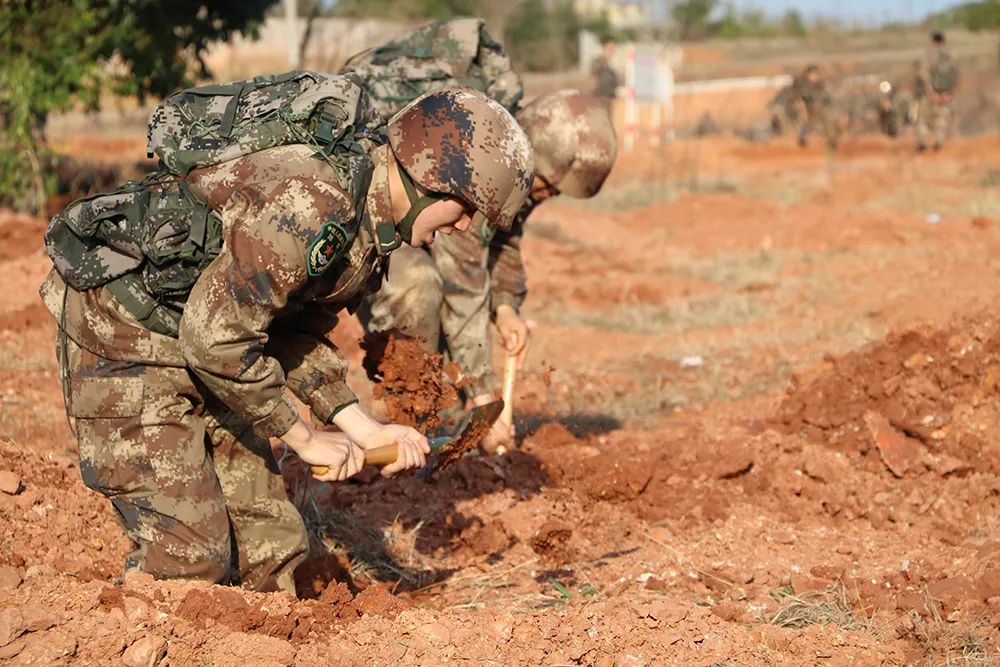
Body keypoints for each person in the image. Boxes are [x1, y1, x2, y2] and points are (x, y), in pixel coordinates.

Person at [40, 80, 534, 593]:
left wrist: (363, 428)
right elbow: (215, 339)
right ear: (429, 181)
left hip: (210, 338)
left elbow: (288, 332)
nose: (463, 227)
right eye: (466, 208)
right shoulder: (311, 204)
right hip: (126, 331)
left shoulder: (368, 225)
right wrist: (303, 437)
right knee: (192, 564)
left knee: (277, 554)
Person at [343, 21, 617, 451]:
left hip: (411, 211)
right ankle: (415, 426)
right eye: (542, 188)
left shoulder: (513, 141)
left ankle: (446, 418)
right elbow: (463, 278)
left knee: (448, 301)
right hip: (364, 206)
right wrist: (485, 397)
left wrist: (506, 306)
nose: (538, 199)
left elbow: (505, 236)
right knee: (419, 287)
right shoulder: (483, 160)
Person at [917, 32, 959, 152]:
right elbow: (955, 76)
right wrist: (948, 93)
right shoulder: (951, 55)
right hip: (946, 93)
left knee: (923, 120)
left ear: (932, 41)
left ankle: (922, 144)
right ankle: (938, 142)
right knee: (941, 118)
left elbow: (923, 74)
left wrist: (931, 92)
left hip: (930, 94)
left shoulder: (928, 55)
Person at [792, 64, 840, 151]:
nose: (816, 76)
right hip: (806, 109)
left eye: (817, 74)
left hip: (820, 109)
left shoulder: (820, 85)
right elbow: (798, 98)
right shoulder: (801, 85)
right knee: (808, 124)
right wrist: (804, 110)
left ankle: (832, 142)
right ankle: (801, 139)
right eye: (813, 74)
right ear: (808, 75)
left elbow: (827, 99)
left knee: (829, 119)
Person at [591, 39, 620, 109]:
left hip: (609, 100)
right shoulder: (598, 62)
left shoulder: (611, 67)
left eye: (613, 49)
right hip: (598, 100)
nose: (612, 52)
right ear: (604, 48)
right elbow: (594, 79)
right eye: (610, 49)